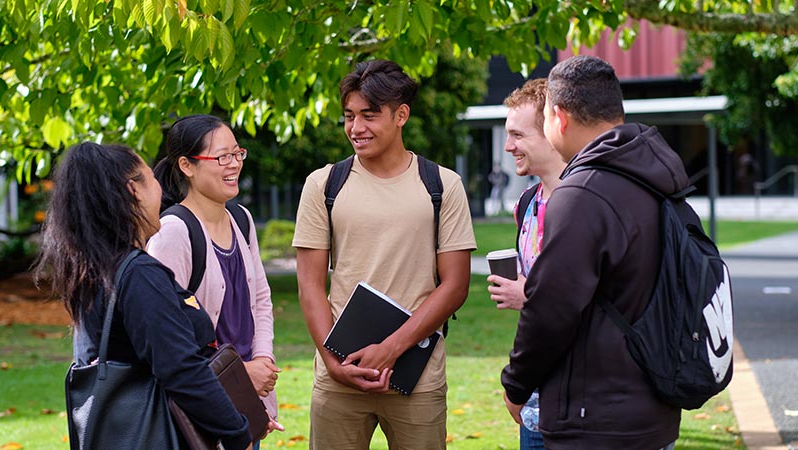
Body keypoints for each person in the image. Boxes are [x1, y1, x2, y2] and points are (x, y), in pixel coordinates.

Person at [500, 55, 683, 450]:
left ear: (559, 119)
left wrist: (515, 385)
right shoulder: (658, 180)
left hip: (596, 417)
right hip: (656, 408)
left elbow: (552, 309)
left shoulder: (582, 193)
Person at [292, 59, 476, 449]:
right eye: (349, 116)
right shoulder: (323, 185)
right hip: (338, 373)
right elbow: (309, 284)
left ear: (401, 115)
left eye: (369, 116)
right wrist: (333, 363)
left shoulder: (442, 185)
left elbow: (456, 285)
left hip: (417, 377)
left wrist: (389, 350)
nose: (356, 129)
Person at [35, 142, 254, 450]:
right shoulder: (139, 275)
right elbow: (181, 369)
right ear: (133, 190)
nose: (161, 193)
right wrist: (236, 433)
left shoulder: (96, 271)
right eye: (152, 180)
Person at [147, 115, 281, 448]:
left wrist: (262, 361)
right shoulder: (173, 233)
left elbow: (260, 300)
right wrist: (241, 376)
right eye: (222, 157)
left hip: (249, 399)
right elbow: (167, 338)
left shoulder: (241, 218)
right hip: (204, 408)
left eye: (238, 154)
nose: (234, 164)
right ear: (186, 165)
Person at [487, 78, 565, 450]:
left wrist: (527, 294)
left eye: (518, 135)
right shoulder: (526, 204)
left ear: (552, 130)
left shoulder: (589, 201)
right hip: (534, 397)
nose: (508, 146)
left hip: (583, 400)